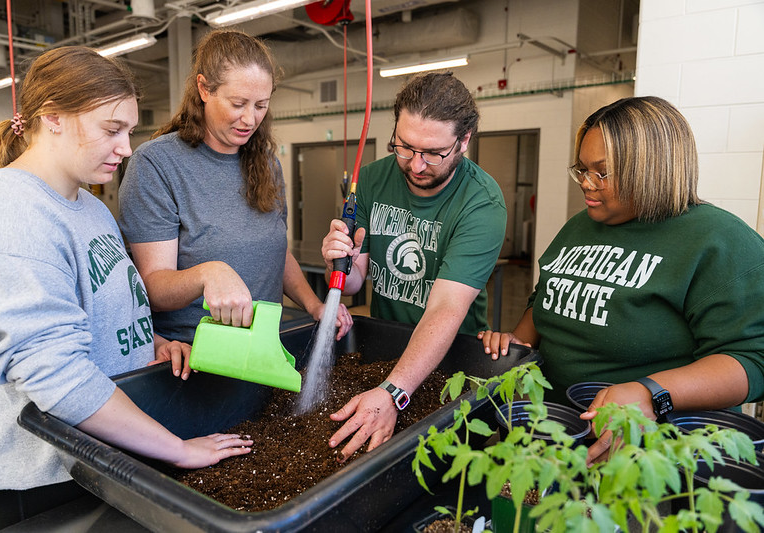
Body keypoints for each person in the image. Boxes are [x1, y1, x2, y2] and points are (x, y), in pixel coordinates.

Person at [0, 47, 253, 533]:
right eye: (111, 130)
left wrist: (150, 342)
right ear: (52, 117)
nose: (125, 149)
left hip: (101, 458)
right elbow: (50, 370)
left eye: (130, 132)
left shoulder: (91, 207)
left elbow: (105, 307)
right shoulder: (7, 206)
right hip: (40, 482)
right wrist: (177, 449)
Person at [479, 96, 764, 465]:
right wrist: (517, 344)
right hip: (555, 436)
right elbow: (545, 298)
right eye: (581, 169)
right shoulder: (580, 226)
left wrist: (651, 394)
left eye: (602, 172)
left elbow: (752, 359)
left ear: (652, 168)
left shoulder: (719, 241)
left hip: (651, 456)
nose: (586, 183)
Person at [118, 29, 351, 343]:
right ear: (204, 89)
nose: (249, 119)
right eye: (238, 103)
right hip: (193, 356)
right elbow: (155, 288)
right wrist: (207, 273)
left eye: (260, 105)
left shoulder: (267, 163)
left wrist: (314, 304)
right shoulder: (157, 164)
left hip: (263, 348)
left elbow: (275, 254)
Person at [321, 72, 507, 461]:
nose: (416, 165)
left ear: (465, 140)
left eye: (433, 153)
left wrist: (393, 393)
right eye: (404, 148)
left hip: (450, 364)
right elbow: (353, 284)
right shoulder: (371, 179)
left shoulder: (481, 203)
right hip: (385, 351)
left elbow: (445, 309)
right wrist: (338, 260)